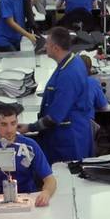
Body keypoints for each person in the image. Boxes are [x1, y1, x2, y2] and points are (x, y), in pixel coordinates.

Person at [0, 104, 57, 206]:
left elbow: (50, 179)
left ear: (17, 122)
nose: (9, 130)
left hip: (27, 197)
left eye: (13, 123)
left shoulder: (30, 146)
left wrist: (46, 193)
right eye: (4, 124)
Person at [34, 27, 96, 162]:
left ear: (56, 48)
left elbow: (54, 118)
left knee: (68, 178)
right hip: (75, 130)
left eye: (47, 44)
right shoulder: (73, 61)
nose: (45, 46)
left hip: (68, 140)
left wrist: (31, 127)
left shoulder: (68, 75)